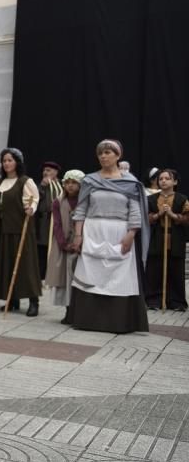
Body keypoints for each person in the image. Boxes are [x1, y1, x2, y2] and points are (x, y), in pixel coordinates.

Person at [70, 139, 149, 333]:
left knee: (118, 276)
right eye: (100, 153)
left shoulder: (129, 182)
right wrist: (78, 235)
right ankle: (88, 320)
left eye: (108, 152)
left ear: (118, 155)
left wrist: (131, 233)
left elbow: (135, 211)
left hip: (119, 231)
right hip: (93, 230)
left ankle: (117, 321)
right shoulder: (90, 180)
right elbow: (81, 210)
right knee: (91, 273)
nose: (104, 156)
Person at [0, 148, 42, 316]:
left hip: (20, 230)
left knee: (25, 266)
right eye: (4, 160)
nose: (6, 163)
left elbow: (34, 199)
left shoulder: (25, 181)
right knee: (6, 265)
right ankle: (12, 299)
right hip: (2, 231)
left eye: (10, 160)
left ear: (17, 162)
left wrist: (31, 209)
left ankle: (34, 301)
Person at [145, 168, 188, 312]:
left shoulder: (182, 199)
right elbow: (146, 218)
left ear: (175, 182)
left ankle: (176, 301)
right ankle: (153, 300)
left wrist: (172, 214)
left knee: (175, 270)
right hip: (157, 238)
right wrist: (159, 214)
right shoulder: (151, 199)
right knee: (154, 270)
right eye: (161, 179)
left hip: (175, 239)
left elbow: (187, 219)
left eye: (167, 178)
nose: (163, 181)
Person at [47, 169, 84, 323]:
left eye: (74, 183)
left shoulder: (84, 202)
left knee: (79, 277)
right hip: (63, 246)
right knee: (66, 279)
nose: (70, 186)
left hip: (81, 245)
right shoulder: (58, 202)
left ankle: (80, 311)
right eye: (67, 183)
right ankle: (69, 311)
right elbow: (56, 225)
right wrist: (63, 243)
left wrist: (80, 242)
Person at [35, 161, 63, 281]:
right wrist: (42, 187)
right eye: (44, 170)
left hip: (56, 221)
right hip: (42, 222)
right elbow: (35, 199)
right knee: (41, 248)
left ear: (56, 172)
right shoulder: (39, 186)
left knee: (54, 248)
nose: (45, 173)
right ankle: (41, 276)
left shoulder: (61, 185)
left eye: (49, 170)